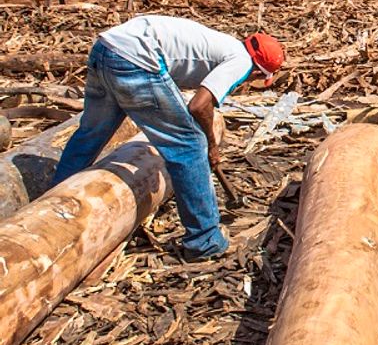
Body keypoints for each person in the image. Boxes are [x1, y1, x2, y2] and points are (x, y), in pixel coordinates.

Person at [51, 15, 285, 260]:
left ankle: (52, 204)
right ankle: (204, 241)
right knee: (190, 146)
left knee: (91, 133)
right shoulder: (240, 61)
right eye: (258, 78)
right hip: (136, 60)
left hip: (106, 48)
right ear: (259, 72)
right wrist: (211, 146)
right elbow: (199, 105)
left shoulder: (224, 44)